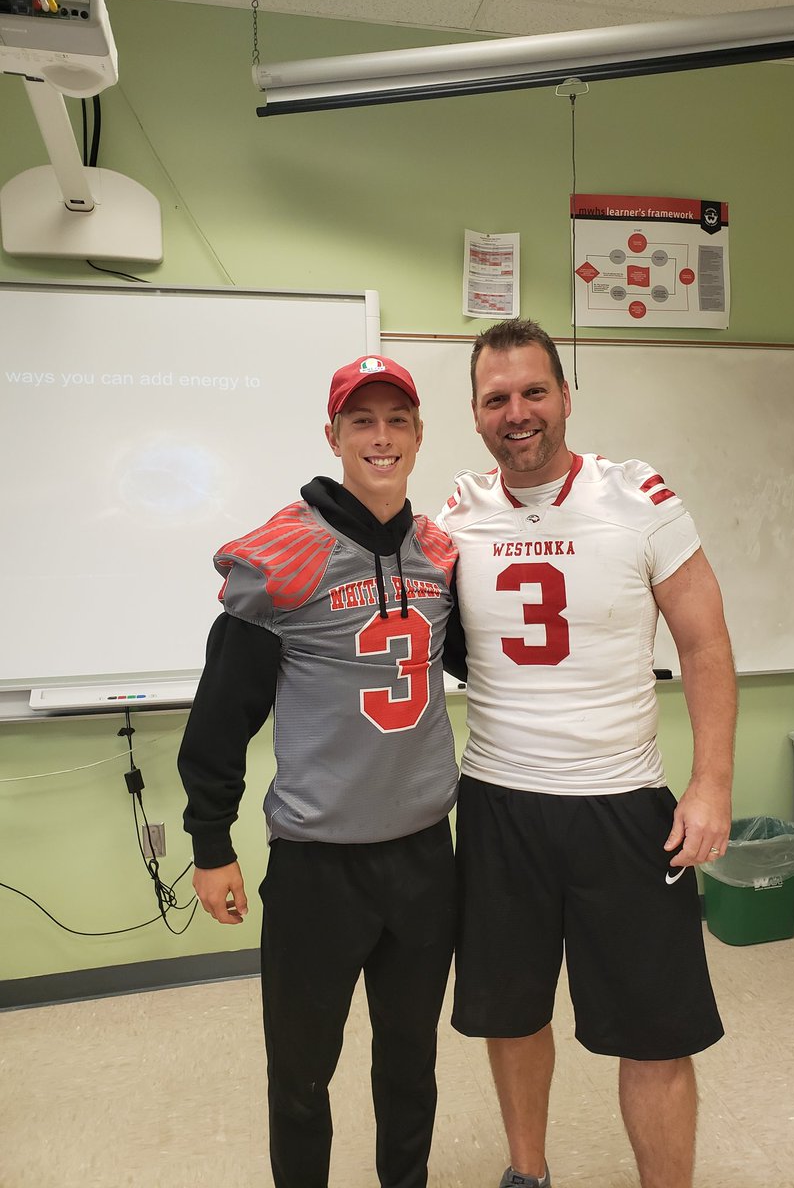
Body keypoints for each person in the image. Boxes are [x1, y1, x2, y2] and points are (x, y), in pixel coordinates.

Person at [437, 319, 737, 1188]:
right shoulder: (454, 516)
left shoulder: (638, 497)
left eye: (534, 391)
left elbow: (706, 645)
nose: (517, 413)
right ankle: (526, 1171)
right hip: (499, 804)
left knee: (657, 1030)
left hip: (622, 805)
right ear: (475, 413)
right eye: (496, 398)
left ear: (566, 396)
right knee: (511, 1012)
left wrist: (711, 783)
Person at [178, 354, 460, 1188]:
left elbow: (486, 662)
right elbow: (220, 716)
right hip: (318, 864)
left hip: (423, 855)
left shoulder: (441, 554)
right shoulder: (284, 555)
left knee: (410, 1062)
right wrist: (210, 844)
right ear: (333, 436)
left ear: (418, 434)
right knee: (302, 1075)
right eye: (361, 421)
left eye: (397, 420)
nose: (381, 437)